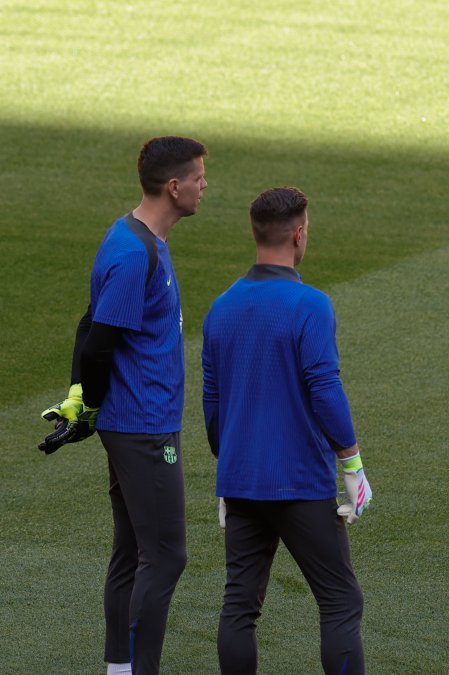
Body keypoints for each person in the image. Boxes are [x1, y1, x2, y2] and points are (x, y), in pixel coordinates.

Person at [37, 136, 206, 674]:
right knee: (166, 556)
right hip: (144, 429)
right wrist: (87, 406)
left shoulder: (134, 236)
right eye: (199, 177)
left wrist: (83, 405)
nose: (205, 185)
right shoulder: (136, 253)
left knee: (133, 552)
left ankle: (119, 668)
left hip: (132, 424)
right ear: (173, 186)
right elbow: (99, 341)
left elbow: (90, 323)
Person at [201, 186, 373, 674]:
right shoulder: (309, 304)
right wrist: (352, 462)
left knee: (240, 604)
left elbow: (212, 402)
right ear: (298, 235)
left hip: (240, 481)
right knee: (340, 601)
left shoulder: (222, 307)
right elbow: (324, 388)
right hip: (299, 482)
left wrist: (228, 461)